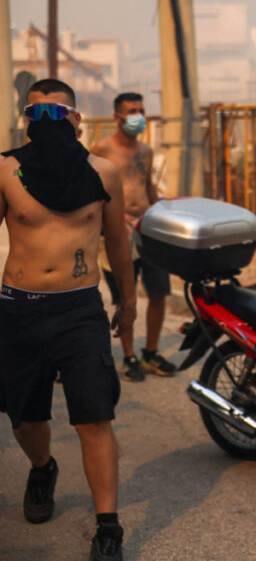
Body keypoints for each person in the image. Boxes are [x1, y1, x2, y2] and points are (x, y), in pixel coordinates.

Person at [0, 79, 137, 561]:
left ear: (78, 119)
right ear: (26, 121)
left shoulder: (103, 173)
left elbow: (119, 242)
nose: (48, 123)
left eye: (58, 114)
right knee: (25, 417)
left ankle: (108, 527)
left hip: (79, 308)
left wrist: (128, 299)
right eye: (37, 114)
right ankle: (42, 466)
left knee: (94, 416)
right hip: (19, 307)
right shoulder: (7, 170)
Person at [91, 92, 175, 382]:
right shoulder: (101, 149)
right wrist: (113, 218)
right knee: (124, 297)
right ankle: (128, 356)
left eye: (141, 109)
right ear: (117, 117)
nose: (139, 115)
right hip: (118, 233)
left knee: (159, 291)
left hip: (147, 229)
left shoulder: (145, 150)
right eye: (132, 111)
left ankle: (150, 353)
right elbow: (92, 191)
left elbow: (147, 185)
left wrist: (161, 211)